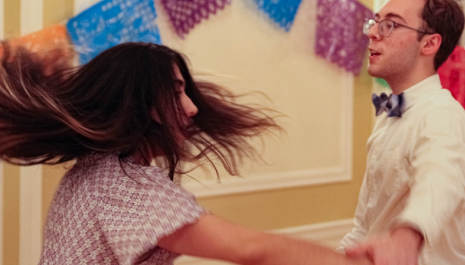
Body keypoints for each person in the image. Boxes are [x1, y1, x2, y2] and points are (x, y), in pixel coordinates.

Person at [0, 41, 373, 265]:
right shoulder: (122, 185)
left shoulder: (95, 171)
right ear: (142, 102)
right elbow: (251, 248)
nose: (192, 107)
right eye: (176, 91)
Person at [340, 0, 465, 265]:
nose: (373, 33)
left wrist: (406, 237)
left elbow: (442, 179)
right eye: (375, 22)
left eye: (390, 24)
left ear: (429, 44)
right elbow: (367, 226)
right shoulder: (389, 115)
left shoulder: (442, 114)